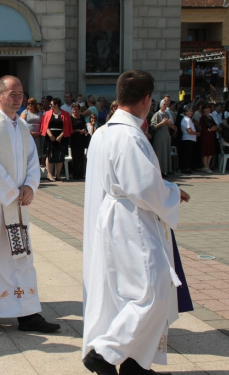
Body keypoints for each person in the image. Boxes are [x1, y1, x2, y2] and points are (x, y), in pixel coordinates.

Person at [82, 69, 190, 375]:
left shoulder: (105, 131)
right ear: (147, 99)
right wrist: (171, 191)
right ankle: (105, 352)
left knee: (128, 293)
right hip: (133, 219)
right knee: (153, 292)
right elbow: (143, 187)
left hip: (114, 215)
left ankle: (135, 363)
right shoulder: (129, 135)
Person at [0, 75, 60, 337]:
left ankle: (27, 313)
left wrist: (31, 186)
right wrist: (12, 191)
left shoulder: (21, 127)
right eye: (12, 93)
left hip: (18, 205)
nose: (18, 97)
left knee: (21, 257)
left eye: (20, 93)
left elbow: (33, 160)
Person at [40, 97, 72, 181]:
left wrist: (60, 136)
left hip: (61, 137)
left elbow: (67, 126)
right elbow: (45, 125)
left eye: (52, 104)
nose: (50, 106)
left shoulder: (66, 114)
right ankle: (49, 174)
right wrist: (50, 135)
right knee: (49, 155)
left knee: (60, 155)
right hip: (50, 136)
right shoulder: (47, 113)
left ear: (57, 105)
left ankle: (58, 174)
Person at [151, 99, 176, 177]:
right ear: (161, 105)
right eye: (164, 105)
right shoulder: (157, 114)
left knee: (166, 152)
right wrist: (162, 123)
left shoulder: (167, 114)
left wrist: (170, 124)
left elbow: (170, 126)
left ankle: (167, 170)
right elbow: (153, 126)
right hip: (159, 136)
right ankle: (160, 171)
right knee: (160, 153)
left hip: (166, 135)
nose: (165, 106)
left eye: (166, 105)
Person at [20, 97, 44, 166]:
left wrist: (40, 132)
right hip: (28, 135)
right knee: (28, 152)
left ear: (35, 104)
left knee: (38, 151)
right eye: (28, 103)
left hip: (38, 136)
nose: (30, 105)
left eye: (32, 103)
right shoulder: (25, 112)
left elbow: (43, 123)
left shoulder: (39, 113)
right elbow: (21, 124)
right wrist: (29, 132)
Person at [70, 103, 87, 180]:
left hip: (81, 139)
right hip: (74, 139)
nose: (75, 111)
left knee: (81, 156)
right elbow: (69, 130)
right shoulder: (70, 118)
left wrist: (84, 130)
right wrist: (77, 130)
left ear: (79, 110)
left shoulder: (82, 118)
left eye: (76, 109)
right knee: (75, 157)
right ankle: (75, 174)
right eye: (73, 109)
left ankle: (81, 173)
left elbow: (84, 126)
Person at [180, 105, 200, 174]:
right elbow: (189, 131)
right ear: (185, 112)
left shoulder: (188, 119)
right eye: (189, 111)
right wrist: (197, 133)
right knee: (187, 155)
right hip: (188, 139)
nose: (191, 113)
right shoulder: (187, 119)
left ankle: (187, 168)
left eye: (191, 111)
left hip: (190, 139)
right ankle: (185, 168)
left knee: (188, 155)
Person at [199, 103, 218, 173]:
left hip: (211, 135)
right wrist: (212, 128)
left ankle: (207, 166)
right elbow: (210, 126)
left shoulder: (210, 117)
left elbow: (216, 126)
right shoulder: (203, 117)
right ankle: (206, 167)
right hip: (205, 135)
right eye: (206, 108)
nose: (208, 109)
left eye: (209, 108)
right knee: (205, 151)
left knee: (210, 151)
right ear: (203, 109)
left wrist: (213, 128)